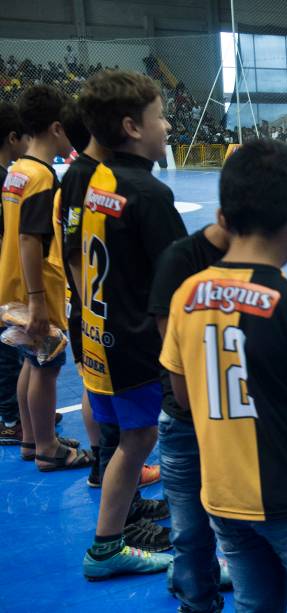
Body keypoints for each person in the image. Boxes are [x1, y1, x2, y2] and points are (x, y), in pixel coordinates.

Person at [160, 139, 287, 611]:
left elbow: (183, 396)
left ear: (223, 218)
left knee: (256, 605)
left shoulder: (186, 293)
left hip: (223, 498)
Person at [74, 70, 187, 580]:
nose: (167, 125)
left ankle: (108, 541)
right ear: (132, 126)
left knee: (129, 443)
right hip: (139, 348)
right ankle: (115, 548)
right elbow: (179, 287)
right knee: (153, 443)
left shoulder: (97, 180)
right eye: (159, 116)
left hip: (100, 339)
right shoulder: (150, 195)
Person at [0, 85, 89, 470]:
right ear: (56, 128)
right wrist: (38, 298)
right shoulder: (40, 177)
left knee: (29, 362)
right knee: (46, 367)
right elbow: (29, 237)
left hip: (12, 284)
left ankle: (32, 437)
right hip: (34, 288)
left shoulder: (16, 172)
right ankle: (48, 449)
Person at [149, 220, 233, 612]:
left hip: (233, 416)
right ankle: (196, 597)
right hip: (189, 419)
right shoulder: (181, 259)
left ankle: (200, 580)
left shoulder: (254, 258)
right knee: (189, 531)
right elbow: (175, 357)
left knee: (240, 529)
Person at [0, 102, 30, 444]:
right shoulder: (7, 180)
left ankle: (21, 412)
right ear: (12, 138)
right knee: (9, 353)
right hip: (5, 279)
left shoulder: (9, 178)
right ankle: (11, 418)